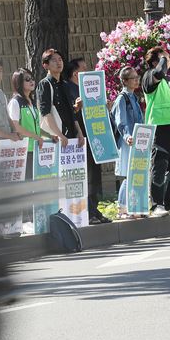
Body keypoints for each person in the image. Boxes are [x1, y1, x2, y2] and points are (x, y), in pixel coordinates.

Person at [64, 56, 110, 224]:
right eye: (84, 69)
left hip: (94, 136)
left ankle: (94, 209)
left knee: (95, 175)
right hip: (79, 139)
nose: (87, 72)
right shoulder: (68, 89)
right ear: (75, 73)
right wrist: (76, 108)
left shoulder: (88, 89)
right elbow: (68, 115)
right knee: (86, 175)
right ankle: (87, 211)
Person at [142, 46, 170, 217]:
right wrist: (164, 59)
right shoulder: (150, 76)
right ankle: (156, 204)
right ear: (154, 62)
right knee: (159, 165)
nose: (167, 59)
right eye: (163, 58)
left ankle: (169, 202)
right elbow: (159, 73)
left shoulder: (169, 79)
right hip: (159, 127)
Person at [8, 68, 57, 180]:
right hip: (23, 151)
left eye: (32, 78)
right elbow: (16, 126)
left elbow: (36, 127)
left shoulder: (32, 102)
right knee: (27, 183)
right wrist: (37, 137)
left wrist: (50, 135)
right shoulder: (15, 102)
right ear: (19, 83)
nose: (32, 81)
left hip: (34, 149)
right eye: (27, 79)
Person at [111, 66, 144, 219]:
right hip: (127, 142)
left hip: (137, 141)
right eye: (133, 78)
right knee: (127, 175)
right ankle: (122, 209)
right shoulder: (121, 99)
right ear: (124, 81)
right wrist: (127, 136)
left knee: (135, 174)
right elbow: (121, 122)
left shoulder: (134, 98)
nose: (137, 80)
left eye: (137, 77)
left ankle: (135, 207)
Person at [37, 49, 86, 148]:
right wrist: (60, 135)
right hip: (55, 138)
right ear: (45, 65)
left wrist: (79, 132)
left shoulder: (65, 84)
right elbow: (45, 113)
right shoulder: (45, 84)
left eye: (60, 59)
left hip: (71, 136)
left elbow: (71, 112)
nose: (58, 62)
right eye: (54, 60)